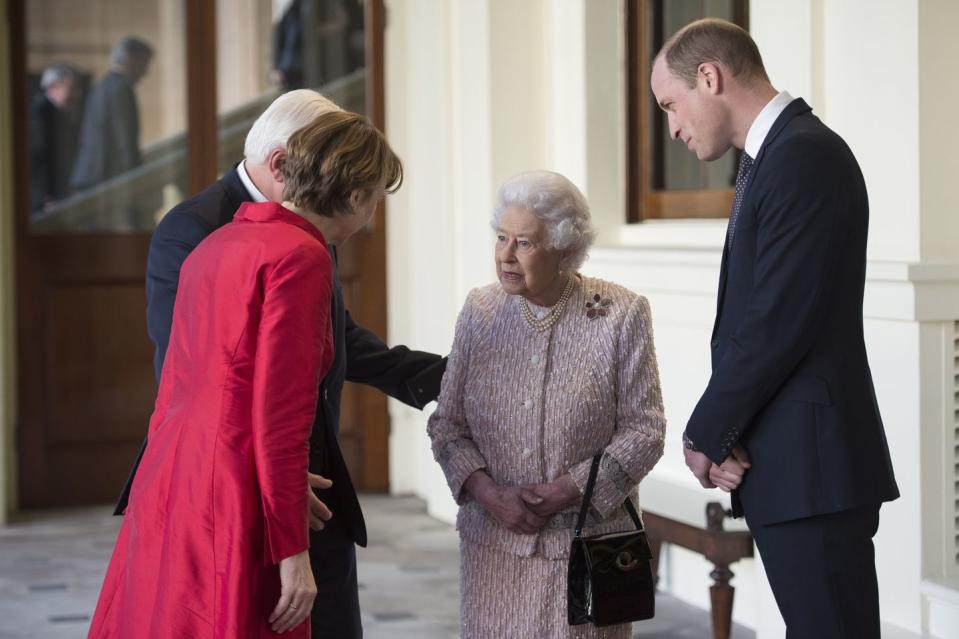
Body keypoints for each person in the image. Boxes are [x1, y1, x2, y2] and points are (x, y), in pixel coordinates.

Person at [115, 89, 446, 639]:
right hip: (243, 483)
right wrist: (282, 515)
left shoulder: (266, 230)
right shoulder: (231, 234)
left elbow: (329, 340)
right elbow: (228, 386)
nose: (369, 219)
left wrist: (443, 375)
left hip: (264, 474)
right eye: (373, 199)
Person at [650, 18, 899, 638]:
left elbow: (779, 320)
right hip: (791, 461)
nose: (673, 127)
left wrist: (708, 432)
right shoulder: (777, 156)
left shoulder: (803, 156)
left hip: (813, 467)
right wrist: (735, 432)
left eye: (670, 105)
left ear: (709, 77)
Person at [427, 171, 666, 638]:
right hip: (493, 549)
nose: (505, 256)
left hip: (587, 552)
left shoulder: (620, 314)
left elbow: (645, 430)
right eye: (501, 238)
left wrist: (566, 490)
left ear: (563, 247)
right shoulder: (481, 312)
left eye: (524, 243)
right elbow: (447, 426)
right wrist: (490, 495)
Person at [70, 36, 153, 191]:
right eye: (144, 63)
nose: (145, 71)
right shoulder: (119, 89)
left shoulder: (105, 85)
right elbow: (123, 139)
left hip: (93, 174)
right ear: (131, 60)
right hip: (102, 176)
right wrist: (136, 179)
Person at [29, 63, 81, 213]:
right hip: (44, 202)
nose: (76, 94)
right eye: (71, 88)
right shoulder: (38, 115)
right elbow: (36, 159)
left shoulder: (60, 114)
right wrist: (45, 196)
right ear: (52, 87)